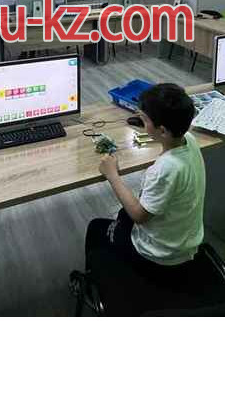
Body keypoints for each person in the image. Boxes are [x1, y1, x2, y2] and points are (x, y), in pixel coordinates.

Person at [76, 83, 206, 314]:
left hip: (159, 257)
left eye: (144, 120)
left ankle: (95, 285)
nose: (141, 123)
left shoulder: (166, 169)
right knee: (121, 215)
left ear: (163, 131)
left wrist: (112, 175)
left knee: (96, 228)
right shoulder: (190, 141)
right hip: (185, 245)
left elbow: (139, 215)